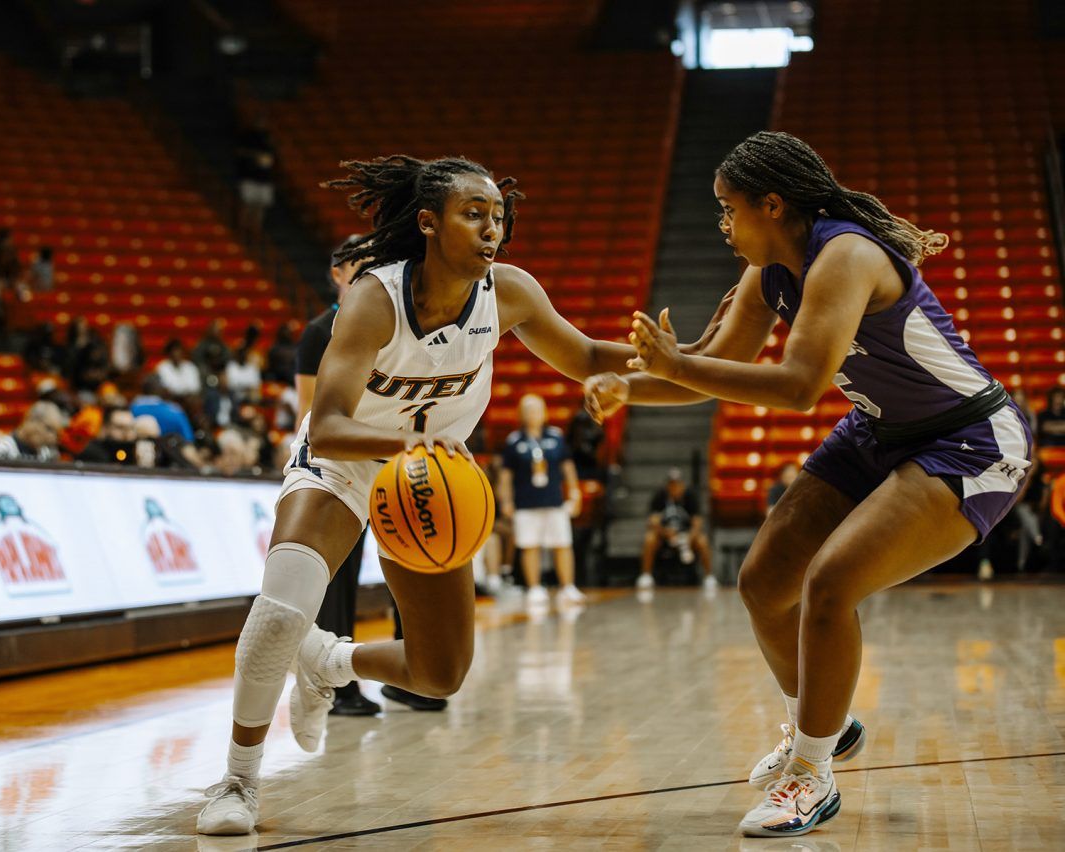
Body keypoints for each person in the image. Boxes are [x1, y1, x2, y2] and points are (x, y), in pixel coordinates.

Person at [194, 154, 721, 836]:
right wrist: (409, 448)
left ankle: (330, 660)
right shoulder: (374, 300)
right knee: (277, 612)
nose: (491, 229)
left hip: (433, 481)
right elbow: (326, 426)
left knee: (438, 674)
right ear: (428, 223)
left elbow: (587, 356)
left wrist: (678, 364)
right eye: (474, 214)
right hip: (348, 461)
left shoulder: (511, 292)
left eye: (498, 217)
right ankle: (237, 781)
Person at [585, 131, 1032, 837]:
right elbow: (710, 364)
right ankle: (827, 722)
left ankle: (811, 774)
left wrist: (671, 369)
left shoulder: (846, 255)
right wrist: (626, 387)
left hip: (969, 439)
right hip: (878, 430)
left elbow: (798, 387)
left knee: (829, 583)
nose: (723, 225)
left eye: (729, 209)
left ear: (773, 204)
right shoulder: (772, 274)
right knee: (764, 581)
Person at [293, 234, 383, 718]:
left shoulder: (383, 320)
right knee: (338, 577)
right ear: (338, 272)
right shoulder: (319, 331)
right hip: (335, 463)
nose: (371, 269)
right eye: (362, 262)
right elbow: (310, 411)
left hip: (382, 460)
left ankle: (410, 678)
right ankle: (338, 686)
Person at [499, 394, 584, 608]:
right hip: (526, 503)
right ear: (521, 414)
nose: (532, 414)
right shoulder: (514, 441)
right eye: (528, 410)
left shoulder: (556, 436)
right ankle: (535, 588)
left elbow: (568, 467)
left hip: (554, 500)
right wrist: (506, 501)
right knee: (529, 545)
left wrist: (574, 492)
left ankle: (567, 587)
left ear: (545, 412)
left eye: (537, 409)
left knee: (563, 543)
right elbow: (506, 476)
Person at [636, 468, 714, 592]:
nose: (674, 488)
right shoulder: (660, 496)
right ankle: (646, 575)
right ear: (667, 485)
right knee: (650, 538)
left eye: (677, 484)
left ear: (682, 485)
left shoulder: (690, 496)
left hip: (687, 537)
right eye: (671, 484)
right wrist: (666, 532)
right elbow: (652, 522)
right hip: (665, 536)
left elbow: (697, 524)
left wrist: (688, 538)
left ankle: (709, 577)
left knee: (703, 540)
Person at [0, 401, 64, 462]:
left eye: (56, 433)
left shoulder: (47, 454)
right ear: (31, 420)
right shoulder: (1, 451)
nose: (52, 438)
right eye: (49, 429)